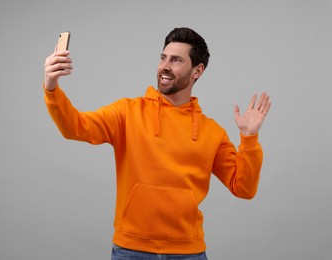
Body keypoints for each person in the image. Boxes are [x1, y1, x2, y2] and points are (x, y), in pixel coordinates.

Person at [43, 27, 271, 260]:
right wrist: (52, 88)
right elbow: (75, 127)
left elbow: (243, 188)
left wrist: (249, 138)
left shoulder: (212, 132)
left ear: (197, 71)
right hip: (130, 250)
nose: (165, 66)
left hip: (188, 253)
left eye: (176, 60)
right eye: (163, 58)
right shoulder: (127, 112)